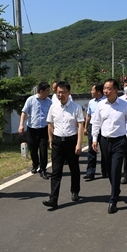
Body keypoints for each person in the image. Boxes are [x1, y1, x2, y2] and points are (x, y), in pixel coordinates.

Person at [91, 79, 127, 214]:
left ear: (116, 90)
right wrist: (94, 139)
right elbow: (96, 123)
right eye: (105, 88)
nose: (106, 91)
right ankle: (116, 189)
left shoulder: (124, 105)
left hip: (120, 141)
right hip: (104, 140)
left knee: (116, 168)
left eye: (109, 88)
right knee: (109, 169)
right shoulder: (101, 105)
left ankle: (113, 200)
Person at [42, 81, 84, 209]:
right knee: (56, 171)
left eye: (63, 92)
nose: (60, 95)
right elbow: (50, 124)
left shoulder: (76, 107)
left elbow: (80, 125)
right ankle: (53, 198)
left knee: (74, 168)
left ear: (69, 92)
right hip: (57, 141)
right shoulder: (53, 107)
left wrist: (79, 143)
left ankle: (75, 190)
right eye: (58, 92)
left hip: (72, 141)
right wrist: (50, 140)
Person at [18, 82, 52, 179]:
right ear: (41, 91)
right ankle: (35, 164)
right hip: (32, 129)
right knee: (33, 149)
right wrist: (21, 125)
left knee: (43, 150)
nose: (48, 93)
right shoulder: (31, 100)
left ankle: (43, 169)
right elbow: (24, 113)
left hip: (44, 129)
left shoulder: (49, 102)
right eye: (47, 91)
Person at [84, 82, 107, 180]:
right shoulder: (91, 102)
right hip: (92, 127)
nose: (91, 92)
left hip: (104, 128)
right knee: (91, 151)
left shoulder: (106, 101)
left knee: (105, 151)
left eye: (92, 90)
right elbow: (88, 115)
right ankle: (90, 172)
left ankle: (105, 171)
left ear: (98, 91)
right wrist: (86, 127)